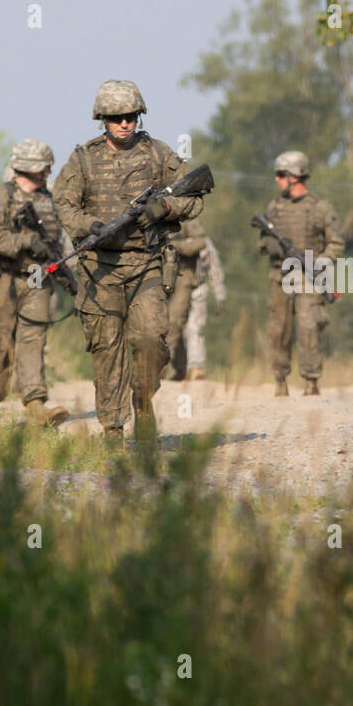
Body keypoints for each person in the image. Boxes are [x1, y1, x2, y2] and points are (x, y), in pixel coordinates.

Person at [53, 80, 205, 447]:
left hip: (147, 264)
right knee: (107, 351)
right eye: (116, 118)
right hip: (98, 269)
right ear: (102, 119)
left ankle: (143, 403)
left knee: (151, 340)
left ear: (139, 115)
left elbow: (195, 198)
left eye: (130, 116)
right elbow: (64, 204)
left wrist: (163, 207)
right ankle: (113, 430)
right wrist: (89, 226)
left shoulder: (158, 154)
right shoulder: (83, 159)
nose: (124, 124)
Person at [0, 139, 70, 427]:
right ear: (29, 168)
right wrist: (25, 242)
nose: (46, 173)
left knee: (33, 341)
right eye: (43, 168)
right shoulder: (1, 197)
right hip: (4, 278)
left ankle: (35, 406)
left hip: (38, 279)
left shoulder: (51, 200)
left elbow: (61, 243)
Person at [258, 150, 344, 397]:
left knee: (308, 328)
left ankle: (311, 380)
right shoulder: (274, 208)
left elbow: (336, 243)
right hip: (279, 277)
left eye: (281, 175)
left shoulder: (320, 208)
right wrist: (272, 246)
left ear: (295, 176)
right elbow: (262, 242)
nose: (277, 180)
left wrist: (319, 262)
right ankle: (280, 380)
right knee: (278, 330)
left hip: (308, 278)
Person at [164, 217, 207, 381]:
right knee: (158, 321)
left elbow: (200, 242)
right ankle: (178, 367)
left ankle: (163, 367)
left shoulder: (186, 213)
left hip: (183, 274)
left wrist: (176, 247)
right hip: (157, 274)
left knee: (175, 322)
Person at [183, 235, 226, 381]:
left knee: (194, 328)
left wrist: (220, 293)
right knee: (173, 330)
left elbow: (213, 267)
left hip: (197, 288)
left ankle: (196, 367)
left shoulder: (203, 241)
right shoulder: (168, 236)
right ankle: (175, 368)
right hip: (173, 291)